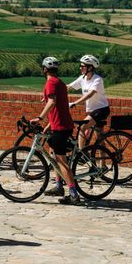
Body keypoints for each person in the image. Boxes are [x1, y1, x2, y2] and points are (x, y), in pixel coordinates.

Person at [31, 56, 80, 205]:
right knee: (53, 155)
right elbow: (58, 107)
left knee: (62, 162)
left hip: (61, 126)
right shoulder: (59, 82)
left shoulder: (51, 82)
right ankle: (59, 186)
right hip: (59, 124)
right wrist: (48, 125)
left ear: (44, 69)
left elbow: (52, 102)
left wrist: (40, 118)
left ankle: (73, 194)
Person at [69, 54, 110, 151]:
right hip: (92, 111)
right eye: (80, 66)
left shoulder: (97, 79)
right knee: (99, 139)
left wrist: (75, 103)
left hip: (101, 110)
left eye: (83, 66)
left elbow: (90, 94)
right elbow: (68, 87)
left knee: (82, 128)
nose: (80, 68)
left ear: (90, 68)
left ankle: (81, 154)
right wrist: (53, 93)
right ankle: (102, 165)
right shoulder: (82, 78)